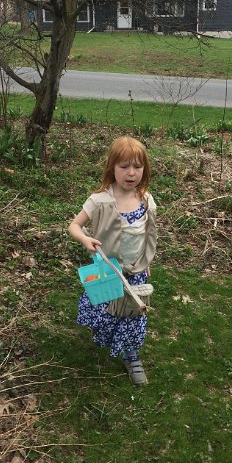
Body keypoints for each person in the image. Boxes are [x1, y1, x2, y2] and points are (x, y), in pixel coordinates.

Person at [69, 136, 157, 385]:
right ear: (112, 167)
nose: (131, 173)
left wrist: (146, 262)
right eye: (124, 166)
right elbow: (74, 226)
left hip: (135, 271)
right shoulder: (99, 201)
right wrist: (85, 239)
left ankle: (131, 354)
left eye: (137, 167)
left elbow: (146, 236)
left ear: (144, 169)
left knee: (133, 314)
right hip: (107, 269)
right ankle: (106, 333)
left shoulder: (145, 200)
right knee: (105, 311)